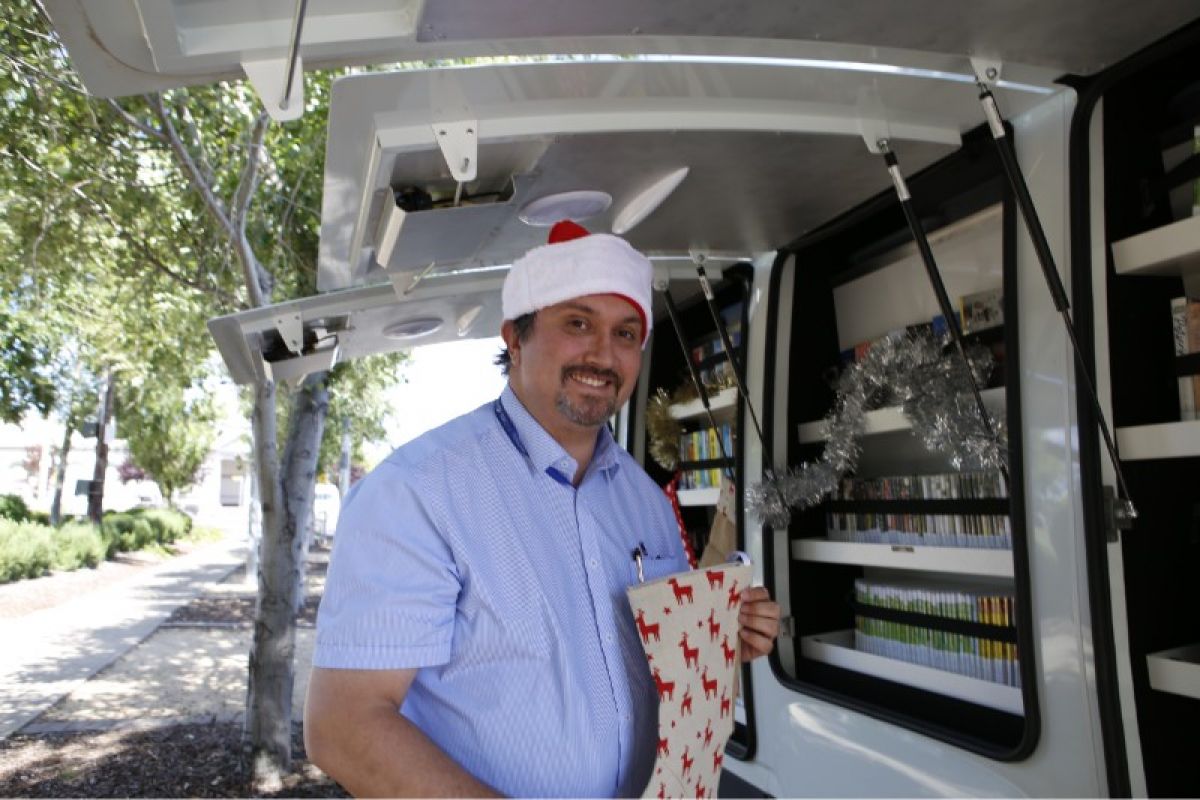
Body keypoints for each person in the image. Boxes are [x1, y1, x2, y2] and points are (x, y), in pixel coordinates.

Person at [304, 221, 781, 797]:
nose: (603, 354)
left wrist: (723, 633)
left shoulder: (649, 504)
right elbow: (344, 727)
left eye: (626, 333)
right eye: (578, 323)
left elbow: (663, 664)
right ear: (515, 337)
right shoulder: (418, 491)